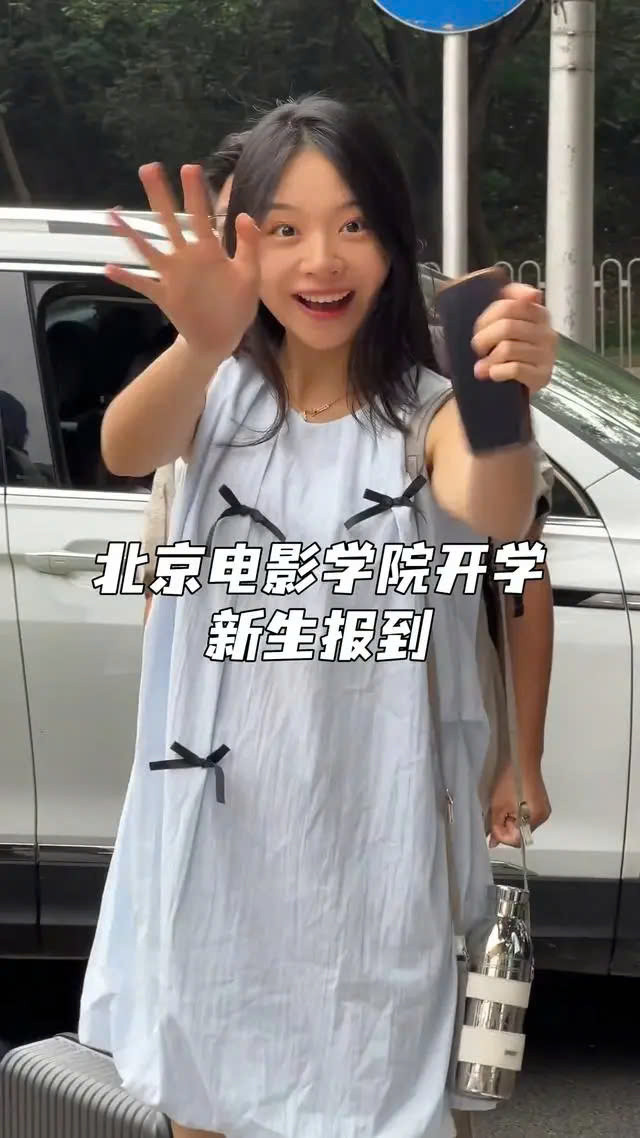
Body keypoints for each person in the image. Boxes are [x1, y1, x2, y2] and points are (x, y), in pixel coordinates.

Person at [79, 96, 557, 1138]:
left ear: (393, 239)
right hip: (216, 823)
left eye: (353, 224)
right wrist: (200, 342)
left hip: (377, 823)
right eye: (285, 229)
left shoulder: (428, 411)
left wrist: (499, 402)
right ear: (242, 246)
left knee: (375, 1092)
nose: (322, 260)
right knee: (205, 1081)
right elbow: (124, 446)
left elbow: (498, 513)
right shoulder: (215, 395)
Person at [142, 130, 250, 623]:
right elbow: (159, 582)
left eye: (278, 225)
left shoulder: (422, 388)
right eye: (229, 224)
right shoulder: (201, 380)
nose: (241, 245)